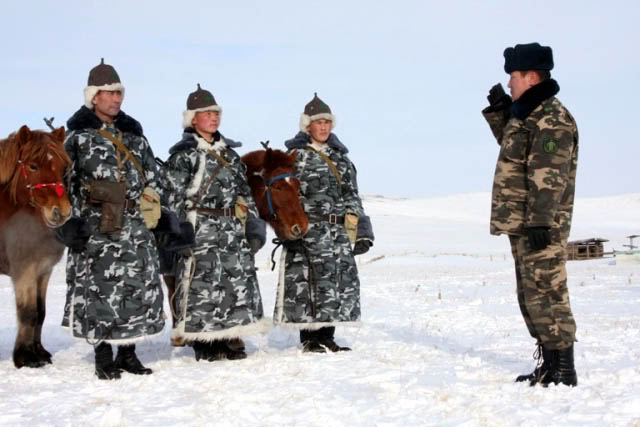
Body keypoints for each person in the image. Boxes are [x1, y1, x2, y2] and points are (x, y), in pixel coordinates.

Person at [56, 59, 166, 380]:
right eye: (109, 93)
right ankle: (103, 356)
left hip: (134, 223)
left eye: (119, 93)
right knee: (100, 289)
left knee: (135, 286)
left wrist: (154, 213)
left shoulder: (134, 135)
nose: (116, 99)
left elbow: (153, 175)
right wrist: (72, 221)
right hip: (97, 223)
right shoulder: (77, 137)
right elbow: (65, 182)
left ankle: (128, 354)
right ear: (93, 97)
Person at [482, 43, 579, 387]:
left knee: (547, 291)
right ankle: (550, 364)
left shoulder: (551, 118)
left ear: (531, 76)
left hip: (540, 223)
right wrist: (500, 112)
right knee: (531, 292)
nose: (509, 84)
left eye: (513, 77)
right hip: (523, 222)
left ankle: (563, 369)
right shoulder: (528, 115)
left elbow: (547, 175)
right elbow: (514, 154)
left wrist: (540, 220)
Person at [162, 84, 268, 361]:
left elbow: (245, 194)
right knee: (200, 286)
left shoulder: (230, 156)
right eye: (206, 113)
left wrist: (253, 227)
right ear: (192, 119)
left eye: (215, 113)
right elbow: (171, 197)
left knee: (233, 284)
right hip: (199, 228)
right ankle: (203, 342)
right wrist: (180, 232)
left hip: (231, 229)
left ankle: (228, 337)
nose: (213, 117)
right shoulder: (183, 156)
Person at [276, 93, 374, 353]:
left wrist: (362, 230)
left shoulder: (341, 158)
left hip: (337, 231)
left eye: (327, 122)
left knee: (336, 282)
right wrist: (289, 228)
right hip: (308, 229)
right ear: (307, 125)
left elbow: (352, 194)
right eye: (318, 122)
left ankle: (327, 336)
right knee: (308, 283)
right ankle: (309, 338)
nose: (323, 127)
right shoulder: (295, 156)